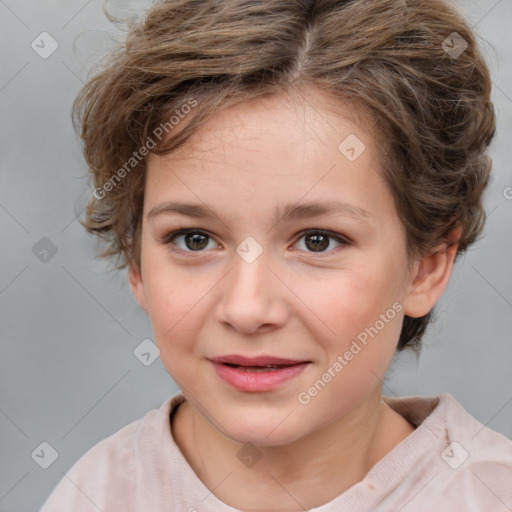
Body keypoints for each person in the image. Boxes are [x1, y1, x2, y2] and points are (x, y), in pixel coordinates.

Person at [40, 0, 512, 510]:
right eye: (194, 239)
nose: (246, 309)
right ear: (136, 262)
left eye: (317, 240)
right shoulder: (93, 494)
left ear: (427, 264)